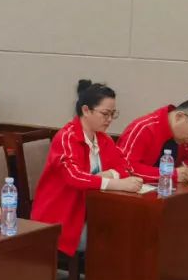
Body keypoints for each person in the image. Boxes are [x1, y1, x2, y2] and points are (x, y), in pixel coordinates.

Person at [32, 81, 141, 257]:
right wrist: (116, 184)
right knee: (115, 237)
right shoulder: (67, 137)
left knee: (131, 229)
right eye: (105, 113)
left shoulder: (103, 139)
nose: (109, 119)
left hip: (90, 213)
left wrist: (109, 174)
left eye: (113, 114)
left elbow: (126, 167)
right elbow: (74, 177)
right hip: (61, 219)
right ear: (86, 110)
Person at [118, 97, 188, 184]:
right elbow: (125, 168)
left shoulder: (187, 138)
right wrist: (170, 173)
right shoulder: (144, 128)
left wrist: (185, 170)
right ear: (179, 117)